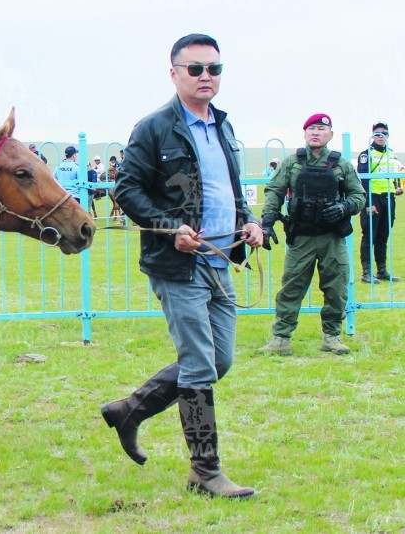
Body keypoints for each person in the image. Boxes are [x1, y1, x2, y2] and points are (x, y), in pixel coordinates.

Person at [101, 34, 262, 499]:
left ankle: (130, 409)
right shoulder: (154, 128)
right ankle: (204, 470)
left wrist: (248, 221)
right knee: (198, 365)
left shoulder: (224, 128)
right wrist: (170, 227)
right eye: (195, 69)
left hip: (220, 259)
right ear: (174, 73)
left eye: (214, 69)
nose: (206, 77)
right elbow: (127, 191)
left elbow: (229, 190)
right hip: (176, 263)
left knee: (220, 359)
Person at [258, 114, 365, 357]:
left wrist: (344, 207)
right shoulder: (292, 162)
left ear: (330, 134)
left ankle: (332, 337)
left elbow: (358, 196)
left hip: (332, 237)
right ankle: (281, 338)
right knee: (292, 287)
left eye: (321, 128)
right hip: (302, 236)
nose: (315, 132)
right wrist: (267, 223)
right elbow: (274, 191)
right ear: (305, 133)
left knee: (336, 288)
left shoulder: (341, 164)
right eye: (311, 128)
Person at [357, 122, 403, 282]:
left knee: (383, 235)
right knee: (369, 235)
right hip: (373, 198)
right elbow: (363, 181)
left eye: (384, 133)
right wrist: (368, 203)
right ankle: (367, 273)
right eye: (377, 133)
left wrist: (397, 188)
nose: (381, 136)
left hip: (388, 198)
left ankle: (381, 270)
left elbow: (394, 175)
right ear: (372, 135)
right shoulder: (366, 154)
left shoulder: (391, 154)